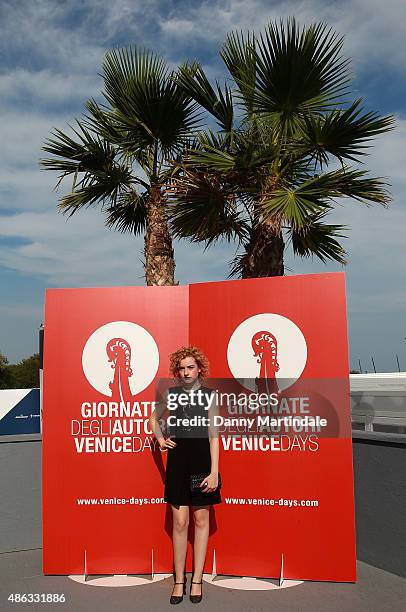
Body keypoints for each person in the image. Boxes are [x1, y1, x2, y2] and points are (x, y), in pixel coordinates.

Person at [149, 346, 221, 604]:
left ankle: (198, 579)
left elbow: (214, 436)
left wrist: (214, 473)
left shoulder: (210, 397)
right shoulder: (171, 395)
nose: (186, 371)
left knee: (201, 522)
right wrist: (160, 439)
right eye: (181, 368)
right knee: (180, 524)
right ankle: (179, 580)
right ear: (177, 371)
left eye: (191, 367)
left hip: (203, 464)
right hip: (178, 465)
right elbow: (153, 419)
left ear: (199, 368)